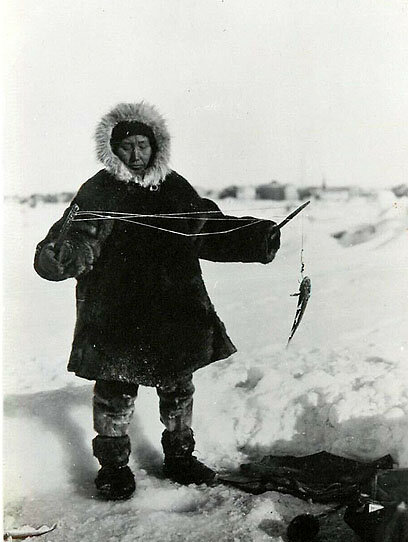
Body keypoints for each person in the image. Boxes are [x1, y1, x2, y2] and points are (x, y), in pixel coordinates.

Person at [34, 101, 281, 500]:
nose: (135, 154)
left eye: (142, 146)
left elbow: (207, 229)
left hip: (174, 307)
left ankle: (180, 457)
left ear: (156, 147)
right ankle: (113, 468)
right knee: (115, 391)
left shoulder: (175, 187)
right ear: (112, 149)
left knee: (179, 385)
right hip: (116, 310)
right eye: (127, 146)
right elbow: (79, 238)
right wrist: (62, 256)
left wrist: (255, 237)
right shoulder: (99, 189)